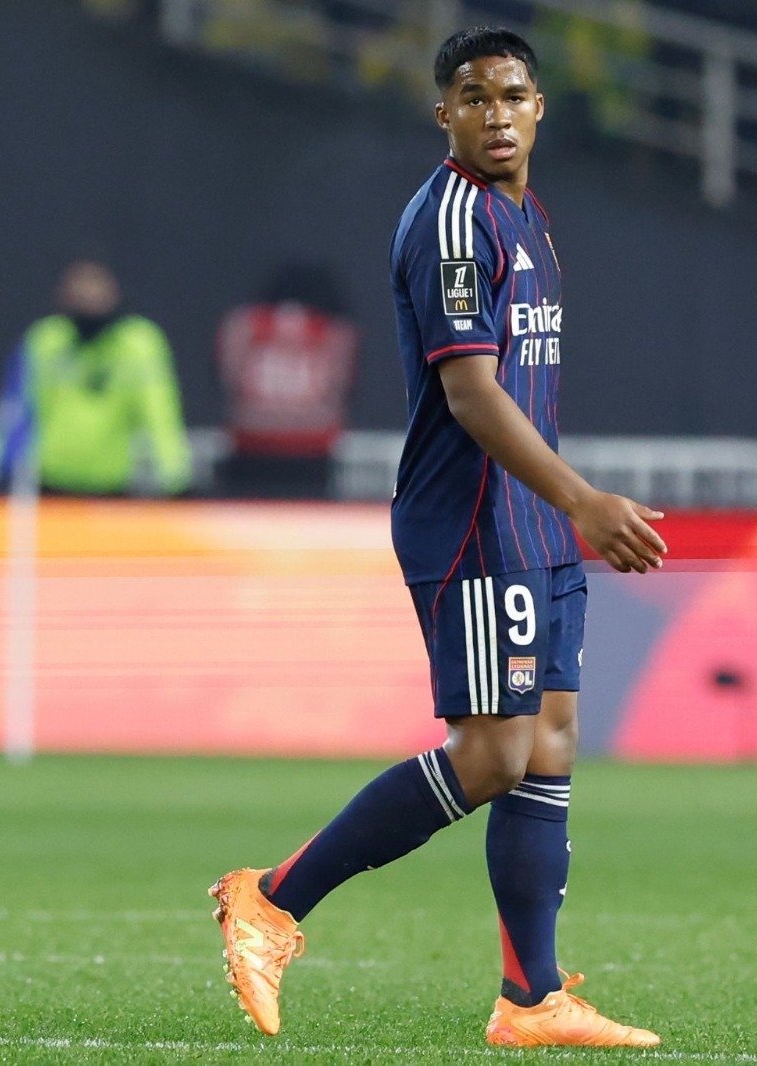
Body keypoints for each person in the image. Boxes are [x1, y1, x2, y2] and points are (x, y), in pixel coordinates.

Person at [209, 27, 666, 1049]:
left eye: (513, 95)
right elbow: (469, 394)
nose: (496, 114)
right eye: (474, 97)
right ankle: (271, 899)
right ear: (443, 114)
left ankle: (531, 997)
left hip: (531, 516)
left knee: (548, 743)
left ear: (539, 108)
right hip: (474, 521)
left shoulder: (525, 215)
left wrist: (561, 507)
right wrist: (583, 500)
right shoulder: (454, 221)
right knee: (493, 754)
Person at [0, 259, 191, 496]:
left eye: (96, 295)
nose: (89, 303)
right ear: (64, 298)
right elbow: (13, 408)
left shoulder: (138, 345)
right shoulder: (46, 340)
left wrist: (176, 479)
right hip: (52, 484)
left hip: (112, 487)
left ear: (114, 295)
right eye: (81, 297)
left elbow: (161, 414)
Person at [214, 263, 357, 497]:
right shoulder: (335, 332)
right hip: (308, 452)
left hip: (255, 447)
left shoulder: (243, 325)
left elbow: (228, 378)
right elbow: (342, 386)